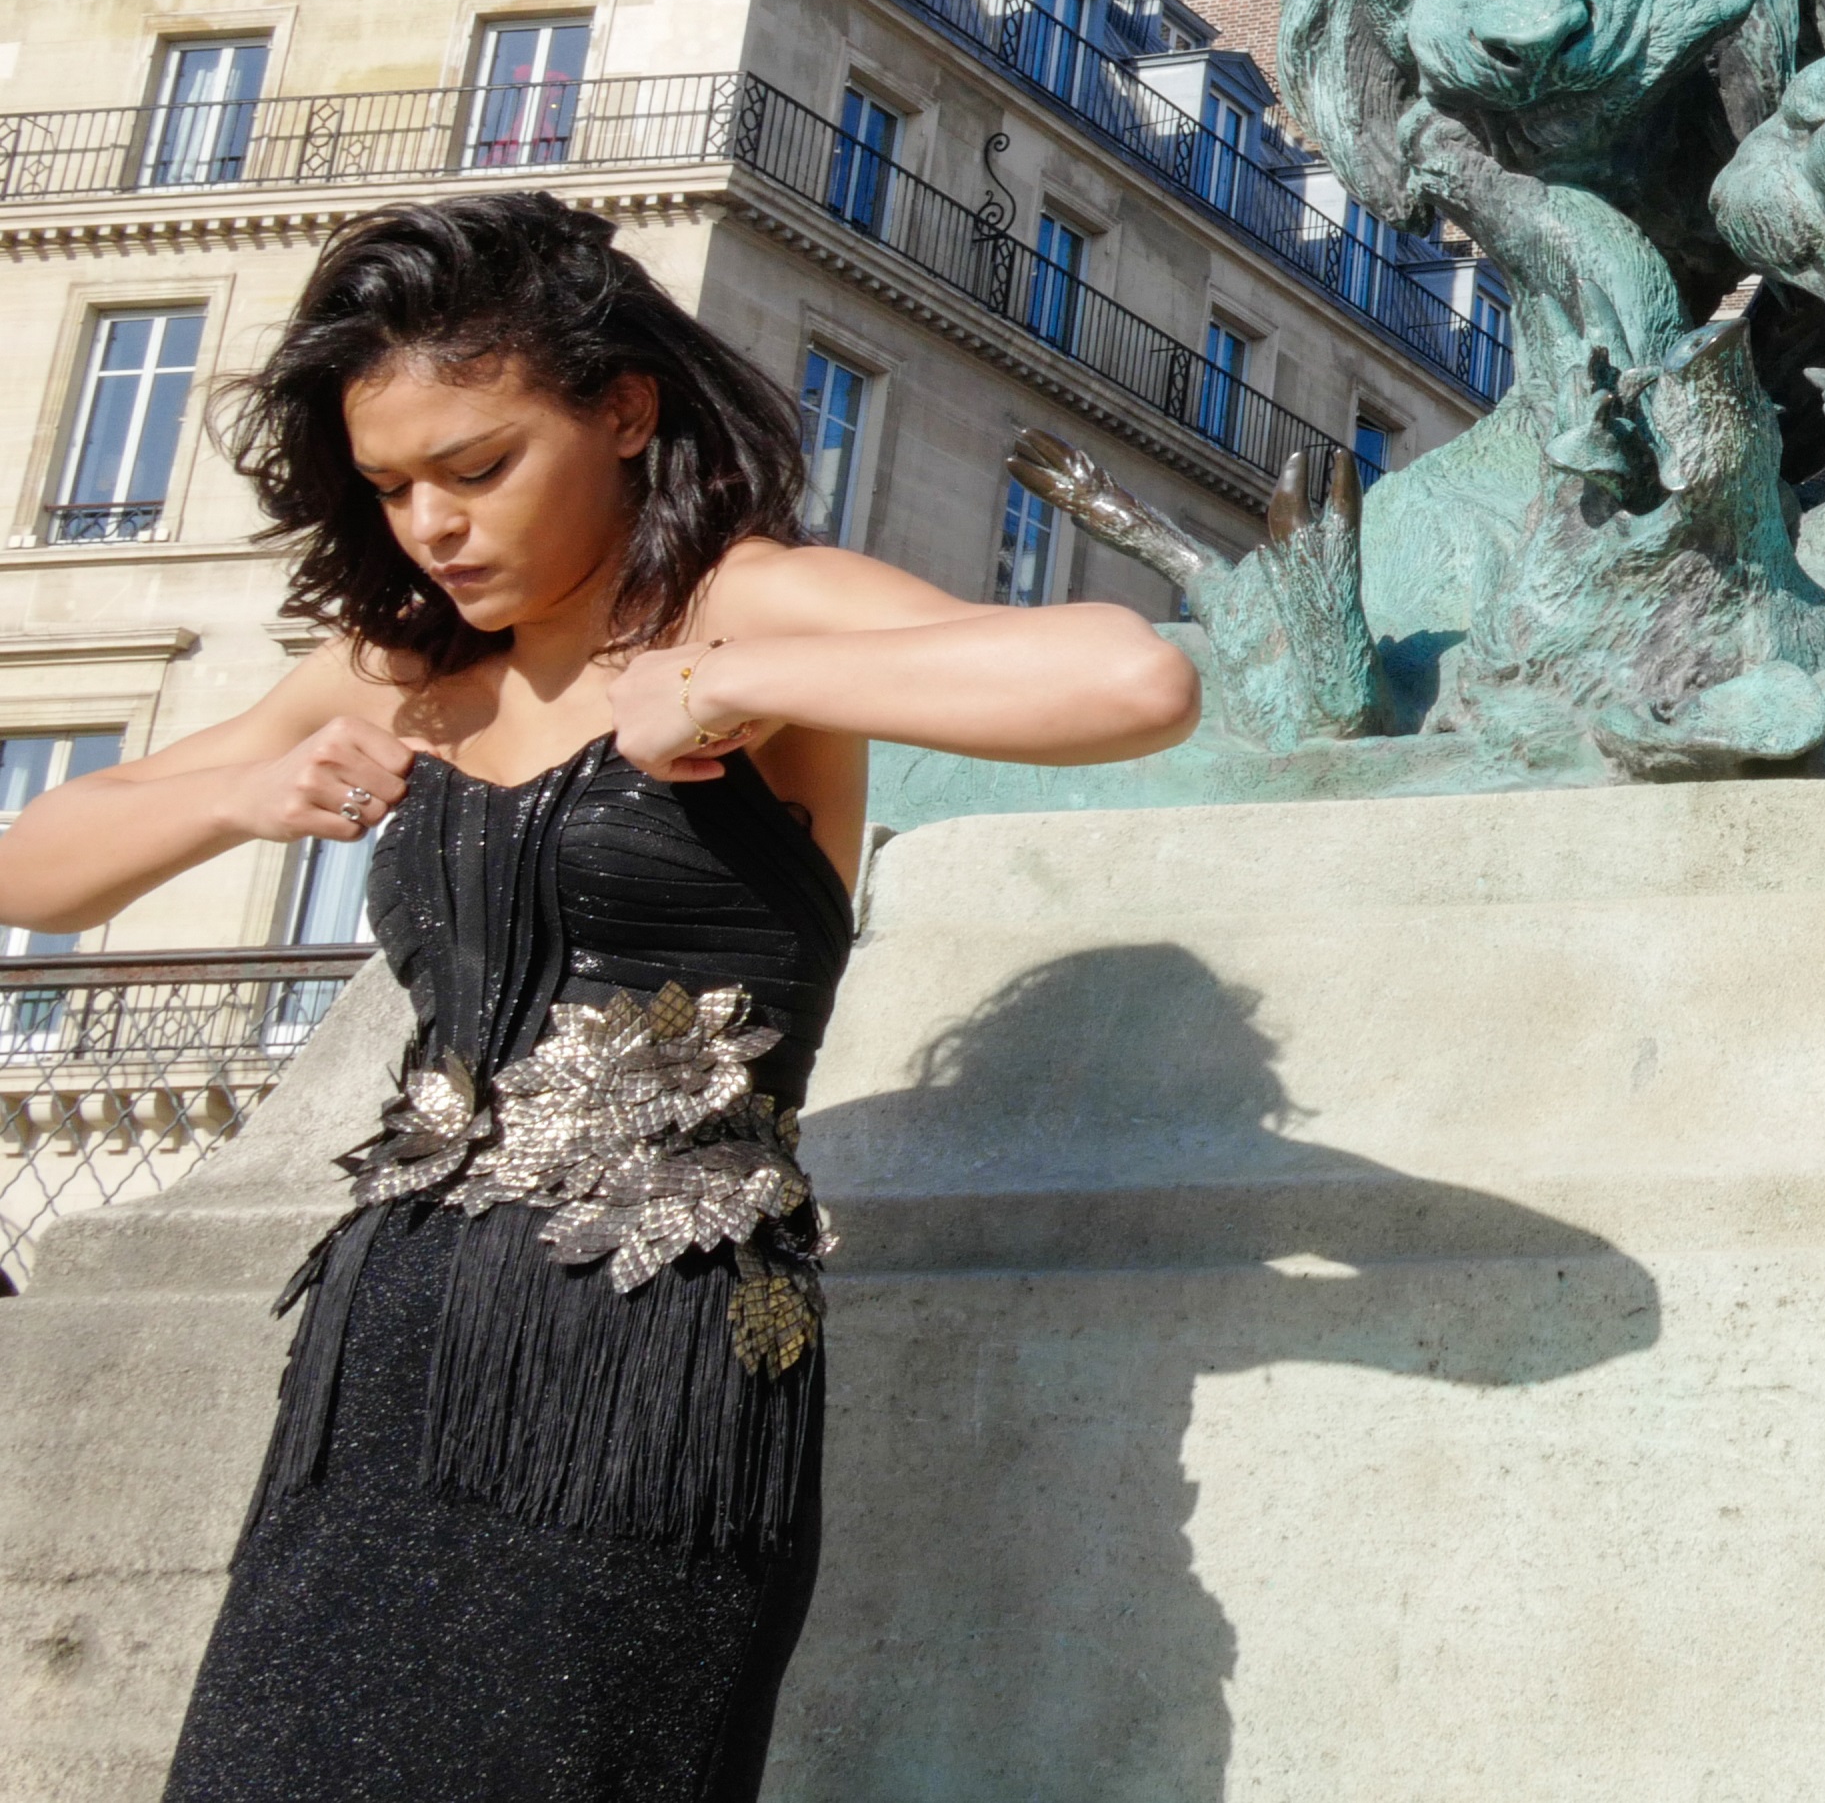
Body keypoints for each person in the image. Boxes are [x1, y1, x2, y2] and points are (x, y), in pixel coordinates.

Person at [0, 193, 1200, 1803]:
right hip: (377, 1369)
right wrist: (251, 793)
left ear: (624, 410)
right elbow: (38, 867)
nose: (431, 522)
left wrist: (732, 684)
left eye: (477, 466)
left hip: (649, 1373)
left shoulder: (750, 602)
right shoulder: (397, 665)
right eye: (392, 485)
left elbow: (1135, 681)